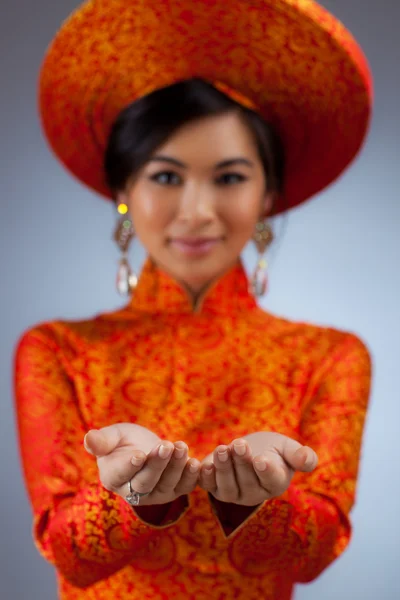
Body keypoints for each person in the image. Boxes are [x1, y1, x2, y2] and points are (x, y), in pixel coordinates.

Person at [14, 1, 373, 599]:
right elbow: (66, 553)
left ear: (268, 194)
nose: (198, 211)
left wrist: (265, 501)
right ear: (123, 190)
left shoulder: (330, 357)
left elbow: (317, 550)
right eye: (166, 176)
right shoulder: (58, 350)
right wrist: (127, 496)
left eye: (229, 177)